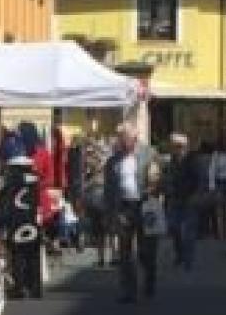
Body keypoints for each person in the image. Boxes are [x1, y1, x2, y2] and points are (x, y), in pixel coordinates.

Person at [105, 124, 156, 303]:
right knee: (125, 252)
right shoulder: (113, 161)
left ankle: (150, 278)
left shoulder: (148, 154)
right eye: (120, 139)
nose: (121, 142)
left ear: (134, 139)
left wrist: (154, 188)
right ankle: (129, 291)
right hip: (123, 208)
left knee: (145, 251)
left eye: (124, 139)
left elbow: (158, 179)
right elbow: (109, 190)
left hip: (144, 206)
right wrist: (111, 214)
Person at [0, 156, 44, 299]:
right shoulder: (35, 181)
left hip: (16, 222)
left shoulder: (9, 182)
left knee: (18, 256)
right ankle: (35, 288)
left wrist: (1, 222)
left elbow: (2, 202)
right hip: (32, 221)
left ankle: (19, 287)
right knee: (33, 256)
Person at [161, 133, 202, 270]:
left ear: (185, 147)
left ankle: (188, 259)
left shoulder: (192, 160)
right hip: (174, 198)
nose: (176, 149)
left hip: (189, 198)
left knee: (189, 232)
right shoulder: (171, 161)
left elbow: (199, 179)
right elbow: (166, 178)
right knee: (174, 228)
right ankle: (180, 254)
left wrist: (196, 195)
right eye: (174, 146)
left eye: (179, 146)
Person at [80, 127, 113, 265]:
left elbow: (86, 181)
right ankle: (107, 257)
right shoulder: (106, 159)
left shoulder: (94, 161)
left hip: (99, 197)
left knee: (101, 230)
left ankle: (104, 258)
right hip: (100, 197)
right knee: (104, 230)